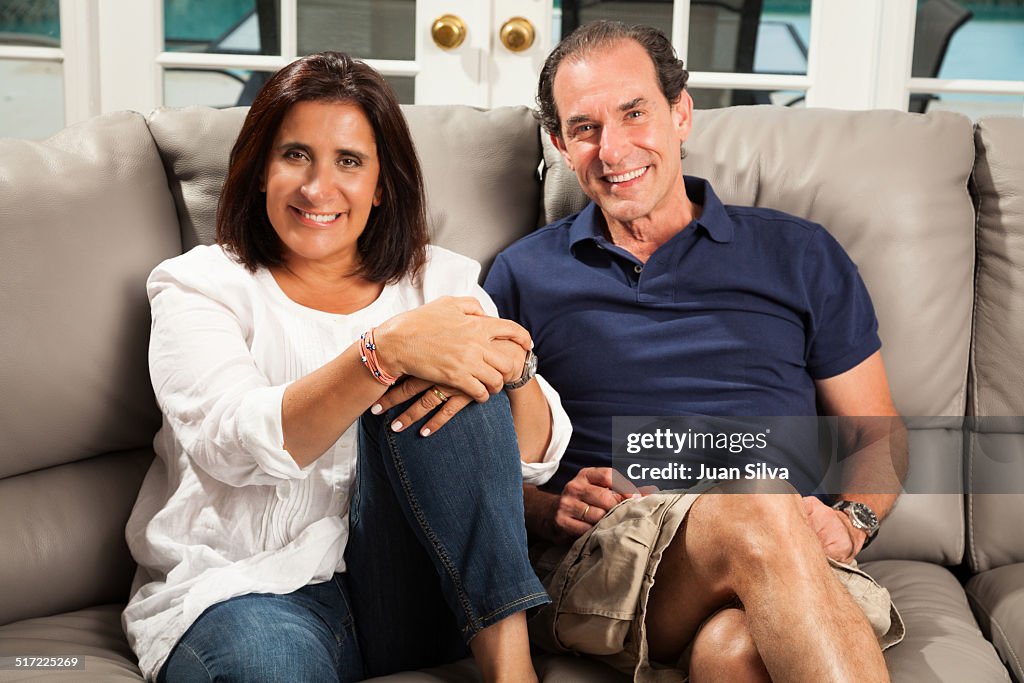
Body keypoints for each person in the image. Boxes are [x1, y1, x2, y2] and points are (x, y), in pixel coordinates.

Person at [122, 52, 571, 683]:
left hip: (417, 589)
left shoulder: (441, 282)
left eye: (349, 161)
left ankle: (512, 674)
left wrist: (513, 371)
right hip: (250, 592)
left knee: (457, 378)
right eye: (295, 155)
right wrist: (382, 353)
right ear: (259, 171)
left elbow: (527, 458)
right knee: (269, 666)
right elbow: (228, 441)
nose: (317, 188)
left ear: (382, 184)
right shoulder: (199, 284)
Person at [482, 21, 908, 683]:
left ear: (681, 113)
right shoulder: (521, 275)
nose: (613, 147)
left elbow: (877, 431)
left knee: (734, 651)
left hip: (787, 551)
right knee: (755, 497)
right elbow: (471, 468)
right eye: (585, 127)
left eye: (634, 113)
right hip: (612, 556)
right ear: (562, 145)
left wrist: (853, 519)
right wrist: (546, 505)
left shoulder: (800, 253)